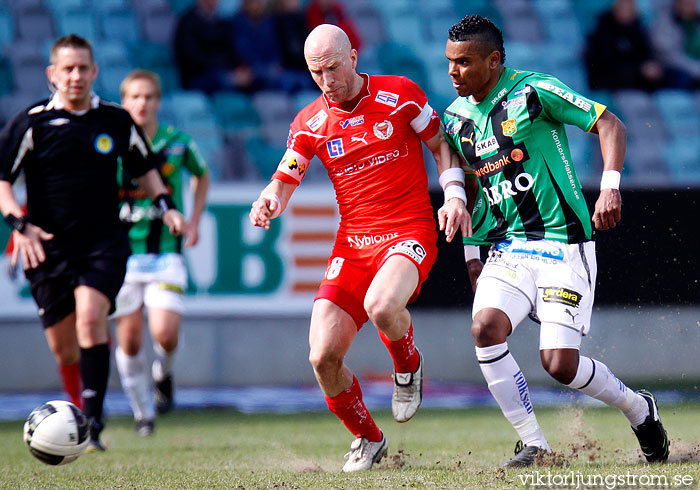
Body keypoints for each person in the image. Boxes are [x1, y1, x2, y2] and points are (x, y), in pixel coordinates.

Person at [442, 15, 670, 467]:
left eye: (464, 62)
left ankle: (639, 408)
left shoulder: (534, 91)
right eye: (449, 62)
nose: (453, 72)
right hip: (508, 246)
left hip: (563, 245)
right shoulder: (455, 119)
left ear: (493, 60)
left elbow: (611, 125)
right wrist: (472, 251)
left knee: (559, 365)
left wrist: (609, 187)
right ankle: (535, 444)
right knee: (484, 329)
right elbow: (469, 189)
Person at [249, 24, 469, 472]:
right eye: (316, 73)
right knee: (322, 357)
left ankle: (407, 368)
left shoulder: (401, 93)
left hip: (408, 230)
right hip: (352, 245)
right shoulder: (309, 121)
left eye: (333, 68)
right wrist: (269, 198)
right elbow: (286, 173)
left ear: (353, 55)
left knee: (383, 306)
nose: (327, 81)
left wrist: (454, 195)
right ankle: (368, 439)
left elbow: (440, 144)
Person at [0, 35, 185, 452]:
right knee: (64, 348)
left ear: (95, 71)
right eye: (67, 69)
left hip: (104, 243)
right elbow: (3, 182)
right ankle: (77, 409)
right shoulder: (30, 123)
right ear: (52, 74)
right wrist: (19, 223)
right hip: (47, 247)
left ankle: (92, 423)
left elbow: (145, 168)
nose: (76, 76)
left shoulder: (116, 121)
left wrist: (166, 205)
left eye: (83, 67)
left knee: (91, 319)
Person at [113, 70, 210, 437]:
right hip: (122, 257)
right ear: (124, 101)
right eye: (135, 96)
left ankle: (162, 373)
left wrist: (195, 220)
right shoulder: (111, 143)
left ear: (158, 101)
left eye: (149, 97)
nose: (142, 103)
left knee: (165, 335)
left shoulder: (177, 141)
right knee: (130, 340)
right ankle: (143, 414)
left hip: (166, 253)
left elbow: (203, 175)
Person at [173, 0, 255, 93]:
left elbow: (230, 50)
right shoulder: (187, 22)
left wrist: (240, 67)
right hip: (198, 76)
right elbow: (191, 57)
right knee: (225, 80)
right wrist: (227, 71)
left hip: (223, 70)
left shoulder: (220, 21)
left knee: (253, 77)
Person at [585, 0, 665, 91]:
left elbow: (646, 55)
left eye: (630, 8)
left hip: (638, 83)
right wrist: (639, 71)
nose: (626, 11)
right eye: (622, 7)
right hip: (613, 87)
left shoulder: (637, 30)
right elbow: (605, 68)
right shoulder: (602, 32)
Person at [652, 0, 700, 88]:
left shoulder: (696, 22)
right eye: (686, 3)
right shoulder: (663, 23)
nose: (690, 7)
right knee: (682, 76)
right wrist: (695, 69)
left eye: (692, 3)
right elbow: (668, 56)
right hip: (671, 68)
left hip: (696, 67)